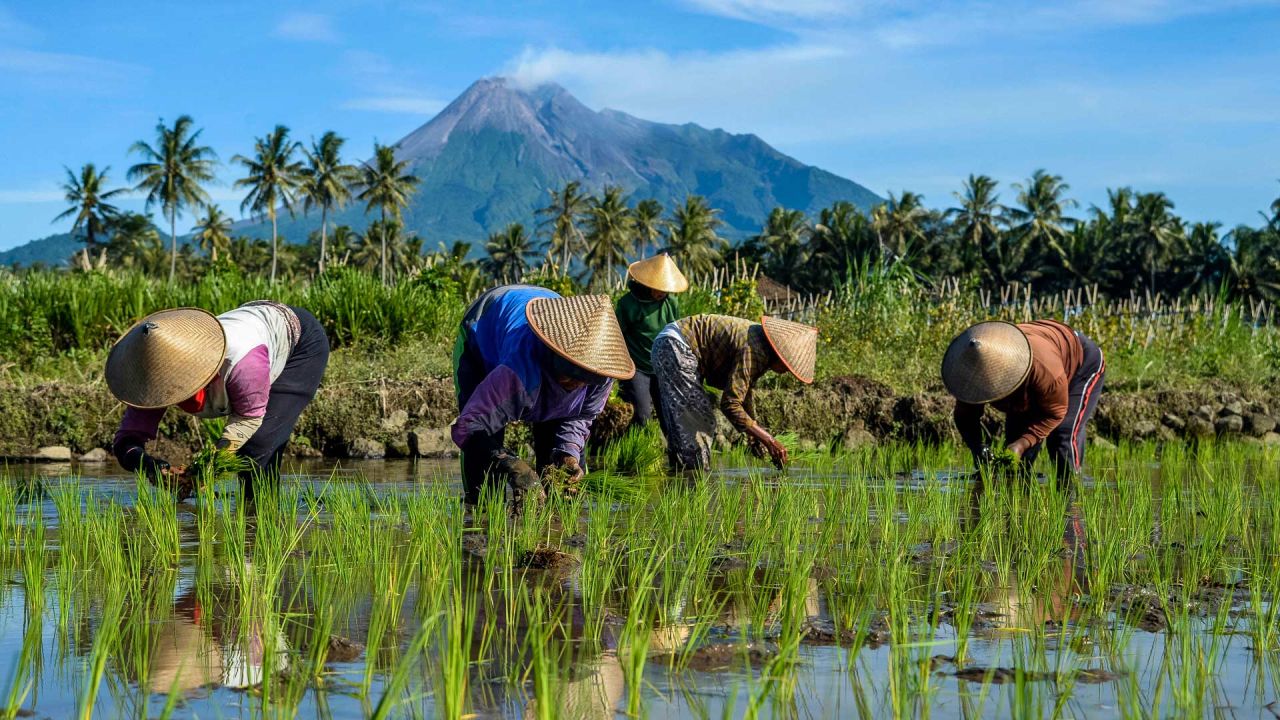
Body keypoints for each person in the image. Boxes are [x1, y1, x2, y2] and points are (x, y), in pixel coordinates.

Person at [107, 301, 330, 498]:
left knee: (257, 446)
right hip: (255, 324)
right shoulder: (154, 375)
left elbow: (248, 419)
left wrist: (204, 471)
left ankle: (259, 522)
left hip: (299, 345)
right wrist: (152, 468)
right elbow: (126, 441)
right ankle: (257, 514)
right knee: (256, 450)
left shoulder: (243, 362)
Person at [452, 286, 635, 505]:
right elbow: (469, 427)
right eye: (569, 374)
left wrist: (567, 453)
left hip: (545, 324)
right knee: (484, 488)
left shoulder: (602, 372)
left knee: (563, 487)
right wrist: (511, 464)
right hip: (483, 328)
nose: (574, 384)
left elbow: (581, 417)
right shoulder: (519, 369)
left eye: (583, 379)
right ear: (555, 354)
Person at [943, 319, 1106, 484]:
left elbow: (1055, 414)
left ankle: (1070, 490)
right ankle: (1018, 499)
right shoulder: (972, 376)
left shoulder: (1045, 371)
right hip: (1042, 359)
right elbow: (965, 417)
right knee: (1015, 458)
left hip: (1081, 363)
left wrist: (1022, 444)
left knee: (1062, 434)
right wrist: (977, 447)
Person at [651, 314, 818, 472]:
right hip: (676, 346)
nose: (785, 372)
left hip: (670, 344)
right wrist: (769, 440)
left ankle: (680, 480)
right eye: (787, 366)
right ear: (780, 355)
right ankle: (691, 483)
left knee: (686, 427)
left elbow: (743, 395)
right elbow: (730, 403)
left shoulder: (761, 346)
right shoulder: (756, 350)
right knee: (698, 423)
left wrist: (755, 438)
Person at [614, 254, 687, 427]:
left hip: (662, 366)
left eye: (664, 289)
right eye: (657, 288)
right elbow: (617, 335)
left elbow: (675, 333)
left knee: (669, 415)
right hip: (637, 366)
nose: (661, 292)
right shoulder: (628, 304)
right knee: (642, 415)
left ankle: (674, 451)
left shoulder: (671, 303)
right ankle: (632, 447)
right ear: (647, 284)